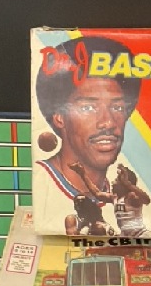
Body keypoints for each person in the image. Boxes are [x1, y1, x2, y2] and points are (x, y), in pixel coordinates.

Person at [35, 36, 142, 234]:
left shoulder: (115, 192)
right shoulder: (42, 181)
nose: (108, 122)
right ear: (59, 117)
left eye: (117, 107)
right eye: (88, 107)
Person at [70, 161, 151, 237]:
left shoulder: (131, 196)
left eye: (116, 180)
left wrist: (129, 184)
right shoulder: (114, 198)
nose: (112, 183)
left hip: (140, 235)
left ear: (124, 184)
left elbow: (146, 200)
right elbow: (97, 193)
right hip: (127, 236)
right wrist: (82, 174)